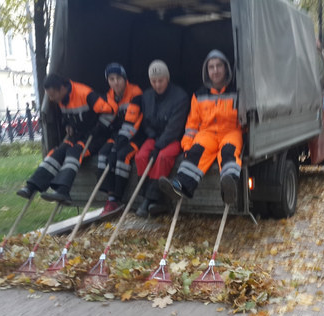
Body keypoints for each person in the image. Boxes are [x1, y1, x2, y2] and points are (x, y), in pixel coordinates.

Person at [159, 49, 242, 205]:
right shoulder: (198, 95)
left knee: (228, 152)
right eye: (211, 67)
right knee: (195, 152)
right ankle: (179, 187)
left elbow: (246, 119)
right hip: (207, 134)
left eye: (219, 66)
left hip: (230, 132)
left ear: (226, 69)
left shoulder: (237, 92)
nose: (215, 70)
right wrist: (187, 146)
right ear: (206, 71)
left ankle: (229, 188)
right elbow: (192, 124)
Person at [16, 73, 113, 205]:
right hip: (78, 136)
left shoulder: (85, 94)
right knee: (57, 153)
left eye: (52, 95)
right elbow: (68, 117)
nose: (51, 99)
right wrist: (68, 125)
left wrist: (99, 128)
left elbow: (110, 112)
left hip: (96, 137)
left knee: (74, 152)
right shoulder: (61, 99)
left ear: (62, 89)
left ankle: (63, 191)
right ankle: (32, 186)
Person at [134, 60, 189, 218]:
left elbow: (174, 128)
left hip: (173, 139)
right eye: (153, 81)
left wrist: (158, 146)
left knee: (163, 157)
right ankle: (149, 197)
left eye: (160, 81)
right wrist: (151, 135)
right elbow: (145, 121)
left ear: (167, 78)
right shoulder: (147, 96)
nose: (157, 85)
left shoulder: (180, 97)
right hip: (155, 137)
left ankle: (150, 200)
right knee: (141, 156)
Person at [94, 63, 144, 216]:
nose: (115, 82)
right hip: (118, 136)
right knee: (103, 155)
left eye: (118, 78)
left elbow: (131, 120)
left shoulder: (135, 93)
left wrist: (118, 144)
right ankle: (110, 197)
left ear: (124, 78)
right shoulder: (109, 96)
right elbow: (107, 120)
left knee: (121, 156)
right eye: (111, 79)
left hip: (136, 135)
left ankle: (117, 196)